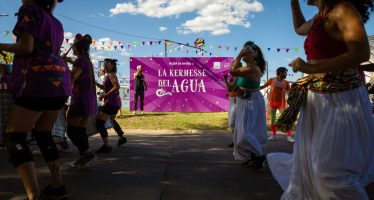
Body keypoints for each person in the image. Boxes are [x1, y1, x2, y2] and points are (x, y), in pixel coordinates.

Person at [267, 0, 374, 199]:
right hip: (317, 100)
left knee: (333, 174)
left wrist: (311, 69)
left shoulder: (342, 9)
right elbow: (300, 28)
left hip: (340, 99)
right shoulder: (320, 17)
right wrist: (293, 3)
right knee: (310, 166)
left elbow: (361, 51)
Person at [0, 0, 71, 199]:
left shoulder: (29, 10)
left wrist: (1, 45)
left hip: (37, 81)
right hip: (59, 82)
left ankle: (34, 195)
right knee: (43, 134)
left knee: (15, 138)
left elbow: (26, 46)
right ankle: (58, 186)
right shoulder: (55, 21)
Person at [230, 41, 268, 170]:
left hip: (252, 101)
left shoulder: (252, 68)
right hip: (244, 101)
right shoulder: (246, 69)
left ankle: (260, 156)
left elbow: (232, 71)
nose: (245, 53)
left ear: (254, 56)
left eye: (248, 52)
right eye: (244, 51)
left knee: (246, 132)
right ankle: (252, 155)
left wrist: (239, 55)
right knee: (242, 130)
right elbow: (233, 84)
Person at [64, 34, 97, 169]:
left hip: (80, 98)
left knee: (71, 130)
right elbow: (77, 65)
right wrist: (67, 60)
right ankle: (85, 156)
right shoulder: (86, 61)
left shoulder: (80, 61)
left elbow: (72, 77)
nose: (72, 49)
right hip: (88, 98)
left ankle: (87, 153)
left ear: (77, 48)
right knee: (80, 129)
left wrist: (62, 67)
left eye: (73, 47)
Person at [95, 58, 127, 153]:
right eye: (104, 64)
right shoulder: (108, 75)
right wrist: (95, 83)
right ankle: (121, 137)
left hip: (111, 102)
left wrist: (105, 95)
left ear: (112, 66)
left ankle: (106, 146)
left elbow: (117, 86)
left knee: (99, 123)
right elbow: (105, 87)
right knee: (111, 120)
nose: (105, 65)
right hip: (116, 102)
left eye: (107, 64)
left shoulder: (111, 74)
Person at [259, 67, 293, 142]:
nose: (286, 74)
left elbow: (290, 92)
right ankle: (274, 136)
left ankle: (289, 137)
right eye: (285, 72)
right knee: (272, 120)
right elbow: (263, 86)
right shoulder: (272, 80)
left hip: (282, 103)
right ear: (280, 72)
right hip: (272, 103)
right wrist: (254, 89)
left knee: (286, 119)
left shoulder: (286, 82)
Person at [224, 70, 238, 148]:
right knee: (232, 123)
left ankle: (237, 141)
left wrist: (225, 79)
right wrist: (229, 93)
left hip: (236, 101)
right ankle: (235, 141)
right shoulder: (233, 78)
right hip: (232, 101)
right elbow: (230, 89)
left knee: (233, 122)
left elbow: (230, 88)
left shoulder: (238, 78)